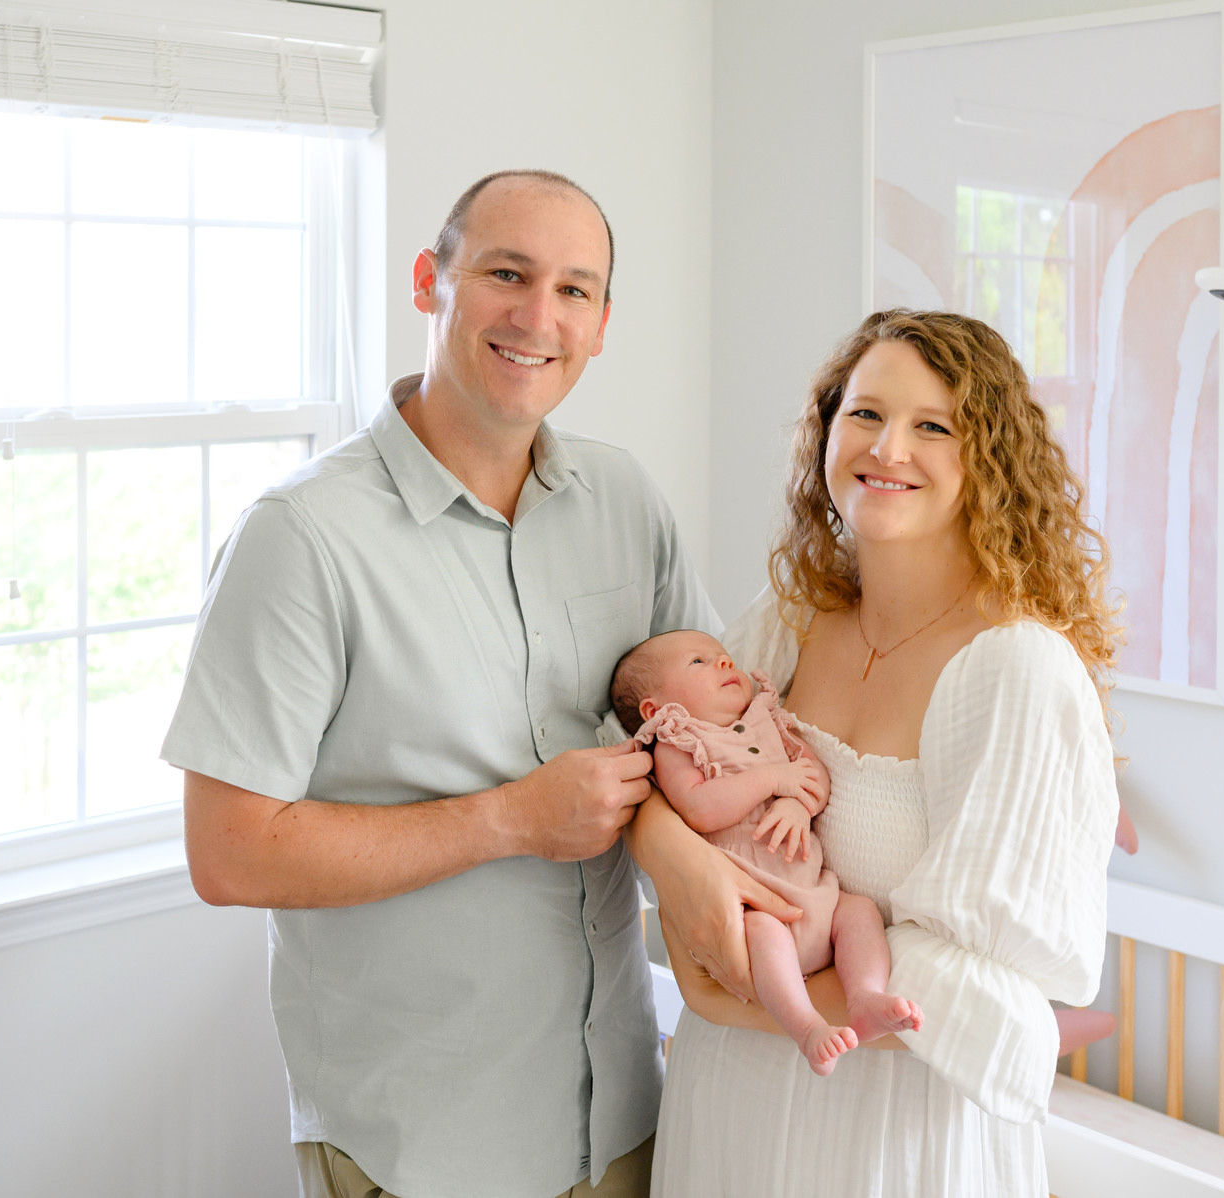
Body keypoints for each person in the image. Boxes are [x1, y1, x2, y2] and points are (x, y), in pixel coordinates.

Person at [161, 169, 797, 1198]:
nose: (538, 316)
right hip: (425, 1150)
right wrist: (510, 818)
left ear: (600, 324)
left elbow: (713, 741)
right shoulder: (301, 539)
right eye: (507, 273)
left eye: (574, 289)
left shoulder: (625, 501)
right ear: (429, 281)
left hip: (625, 1119)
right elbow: (227, 852)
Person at [635, 310, 1124, 1196]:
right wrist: (665, 849)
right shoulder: (785, 625)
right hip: (727, 1114)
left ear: (989, 465)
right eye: (864, 414)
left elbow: (987, 996)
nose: (888, 448)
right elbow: (664, 769)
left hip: (893, 1140)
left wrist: (727, 998)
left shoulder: (1018, 667)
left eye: (932, 425)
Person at [610, 630, 923, 1076]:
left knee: (859, 913)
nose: (723, 663)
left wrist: (799, 802)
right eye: (699, 662)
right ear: (655, 710)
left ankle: (864, 997)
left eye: (723, 657)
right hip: (758, 903)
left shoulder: (767, 719)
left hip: (816, 892)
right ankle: (807, 1026)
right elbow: (698, 807)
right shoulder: (678, 744)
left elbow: (811, 774)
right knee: (764, 934)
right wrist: (774, 781)